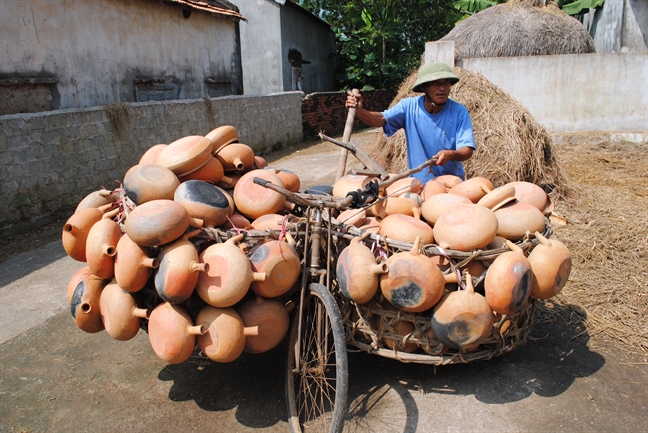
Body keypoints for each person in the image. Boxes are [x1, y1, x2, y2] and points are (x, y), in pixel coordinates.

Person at [346, 61, 475, 184]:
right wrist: (360, 111)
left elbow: (467, 150)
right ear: (424, 86)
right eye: (436, 83)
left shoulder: (459, 112)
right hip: (419, 184)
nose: (442, 88)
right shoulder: (409, 107)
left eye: (446, 83)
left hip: (451, 183)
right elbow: (381, 119)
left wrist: (451, 154)